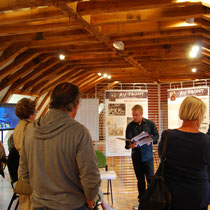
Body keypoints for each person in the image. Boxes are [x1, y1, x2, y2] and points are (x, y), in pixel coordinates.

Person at [19, 82, 101, 210]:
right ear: (76, 105)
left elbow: (24, 171)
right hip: (71, 205)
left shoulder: (30, 131)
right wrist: (90, 198)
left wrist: (43, 194)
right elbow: (90, 175)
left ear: (52, 101)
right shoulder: (79, 132)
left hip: (39, 204)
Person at [159, 96, 210, 210]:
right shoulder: (206, 141)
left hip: (171, 194)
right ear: (199, 115)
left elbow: (162, 158)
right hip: (198, 194)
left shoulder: (167, 136)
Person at [125, 104, 159, 209]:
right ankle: (142, 202)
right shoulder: (130, 126)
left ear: (141, 113)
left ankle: (152, 201)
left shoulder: (150, 124)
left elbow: (157, 136)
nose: (134, 117)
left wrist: (151, 140)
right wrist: (131, 145)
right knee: (140, 180)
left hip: (148, 157)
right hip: (136, 158)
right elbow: (127, 144)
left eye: (136, 115)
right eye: (133, 115)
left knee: (150, 179)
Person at [13, 98, 37, 210]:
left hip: (21, 168)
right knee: (33, 202)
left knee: (24, 201)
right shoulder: (32, 127)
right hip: (32, 168)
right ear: (31, 112)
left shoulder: (18, 127)